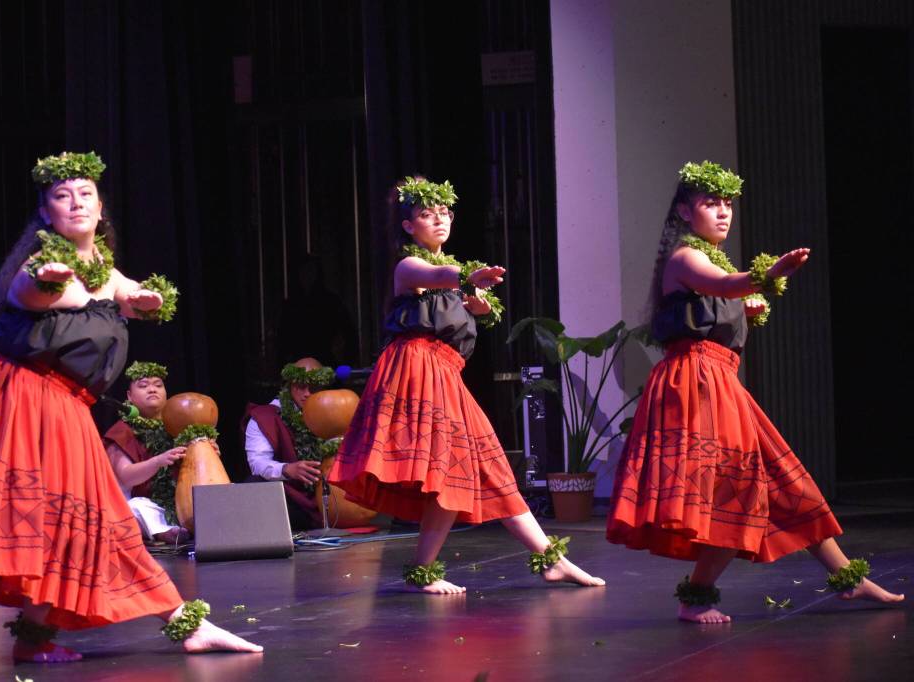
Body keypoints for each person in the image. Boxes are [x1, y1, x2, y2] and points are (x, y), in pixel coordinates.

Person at [0, 152, 261, 661]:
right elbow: (30, 289)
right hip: (24, 398)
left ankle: (37, 639)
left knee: (74, 519)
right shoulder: (42, 264)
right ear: (47, 212)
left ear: (101, 205)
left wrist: (146, 299)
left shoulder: (105, 270)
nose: (76, 203)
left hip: (63, 405)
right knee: (77, 514)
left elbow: (129, 292)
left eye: (85, 193)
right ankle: (181, 624)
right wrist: (46, 280)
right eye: (62, 196)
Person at [606, 161, 904, 623]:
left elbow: (727, 294)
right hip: (696, 384)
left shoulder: (708, 256)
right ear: (685, 213)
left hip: (720, 381)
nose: (724, 213)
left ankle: (847, 577)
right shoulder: (686, 257)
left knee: (780, 481)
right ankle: (696, 595)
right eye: (711, 203)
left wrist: (750, 301)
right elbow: (725, 284)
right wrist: (768, 275)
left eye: (728, 204)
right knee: (741, 489)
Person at [328, 176, 606, 594]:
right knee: (456, 468)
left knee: (470, 469)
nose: (438, 220)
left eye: (444, 213)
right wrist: (466, 277)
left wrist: (472, 300)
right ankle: (547, 560)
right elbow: (437, 274)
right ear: (408, 226)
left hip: (444, 376)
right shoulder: (410, 267)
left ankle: (543, 560)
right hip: (416, 373)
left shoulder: (451, 286)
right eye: (426, 214)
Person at [242, 357, 337, 529]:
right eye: (301, 386)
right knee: (254, 484)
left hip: (327, 496)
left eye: (314, 387)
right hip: (289, 499)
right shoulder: (266, 416)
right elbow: (257, 464)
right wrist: (288, 469)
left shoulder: (334, 412)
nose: (307, 393)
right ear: (290, 385)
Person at [103, 361, 189, 544]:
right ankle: (164, 532)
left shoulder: (178, 428)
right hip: (142, 506)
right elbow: (126, 477)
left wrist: (207, 451)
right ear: (129, 396)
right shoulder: (122, 431)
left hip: (179, 504)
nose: (152, 389)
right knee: (136, 507)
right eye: (143, 386)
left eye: (158, 385)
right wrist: (158, 461)